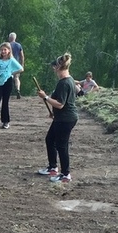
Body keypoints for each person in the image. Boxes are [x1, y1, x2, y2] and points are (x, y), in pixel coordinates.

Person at [36, 53, 79, 183]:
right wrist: (54, 112)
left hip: (66, 119)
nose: (53, 69)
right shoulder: (69, 80)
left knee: (62, 146)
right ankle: (53, 167)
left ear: (58, 67)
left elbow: (60, 104)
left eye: (54, 67)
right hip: (61, 118)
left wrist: (45, 97)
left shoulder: (64, 83)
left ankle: (66, 174)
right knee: (50, 140)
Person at [8, 32, 25, 98]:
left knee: (7, 78)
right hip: (16, 63)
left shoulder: (7, 45)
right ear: (15, 38)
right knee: (16, 78)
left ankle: (7, 92)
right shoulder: (19, 45)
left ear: (9, 38)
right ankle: (18, 90)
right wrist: (22, 64)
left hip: (9, 63)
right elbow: (22, 56)